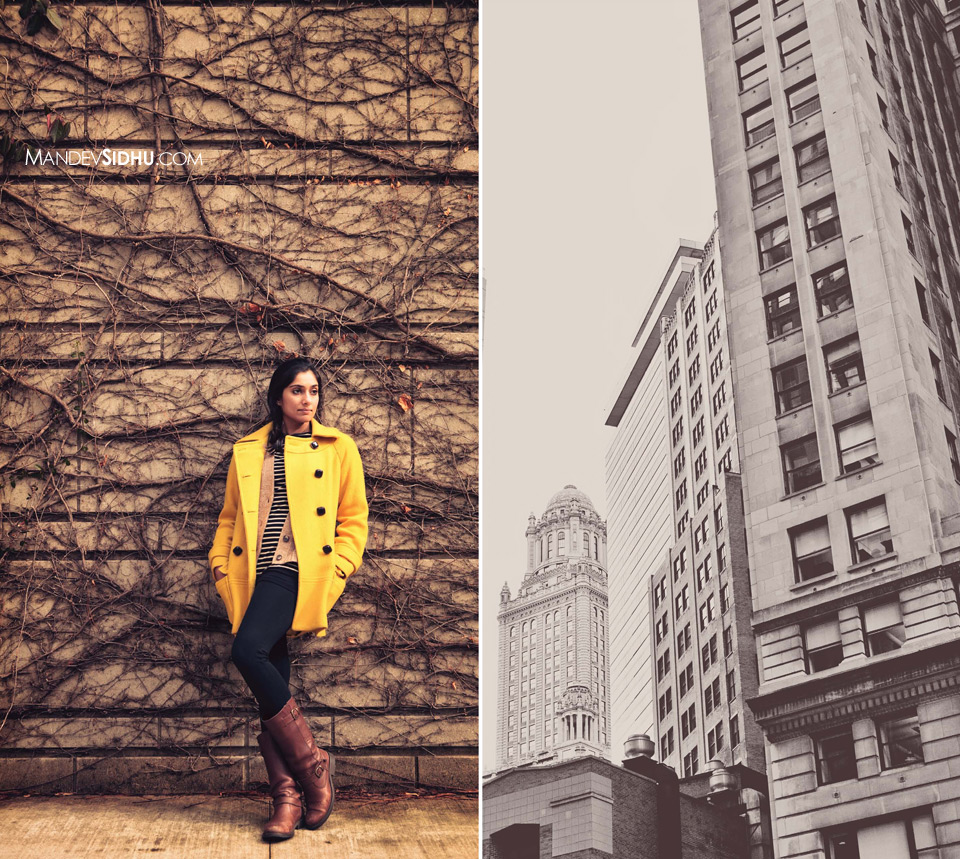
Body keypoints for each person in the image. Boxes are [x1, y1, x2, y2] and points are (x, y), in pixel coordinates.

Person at [208, 357, 368, 841]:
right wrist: (219, 563)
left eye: (314, 390)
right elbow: (229, 516)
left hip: (296, 569)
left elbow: (354, 521)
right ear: (278, 397)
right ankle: (287, 798)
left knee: (246, 650)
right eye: (297, 390)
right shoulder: (249, 450)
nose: (307, 399)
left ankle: (313, 771)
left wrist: (336, 569)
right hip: (251, 573)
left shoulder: (338, 448)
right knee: (270, 677)